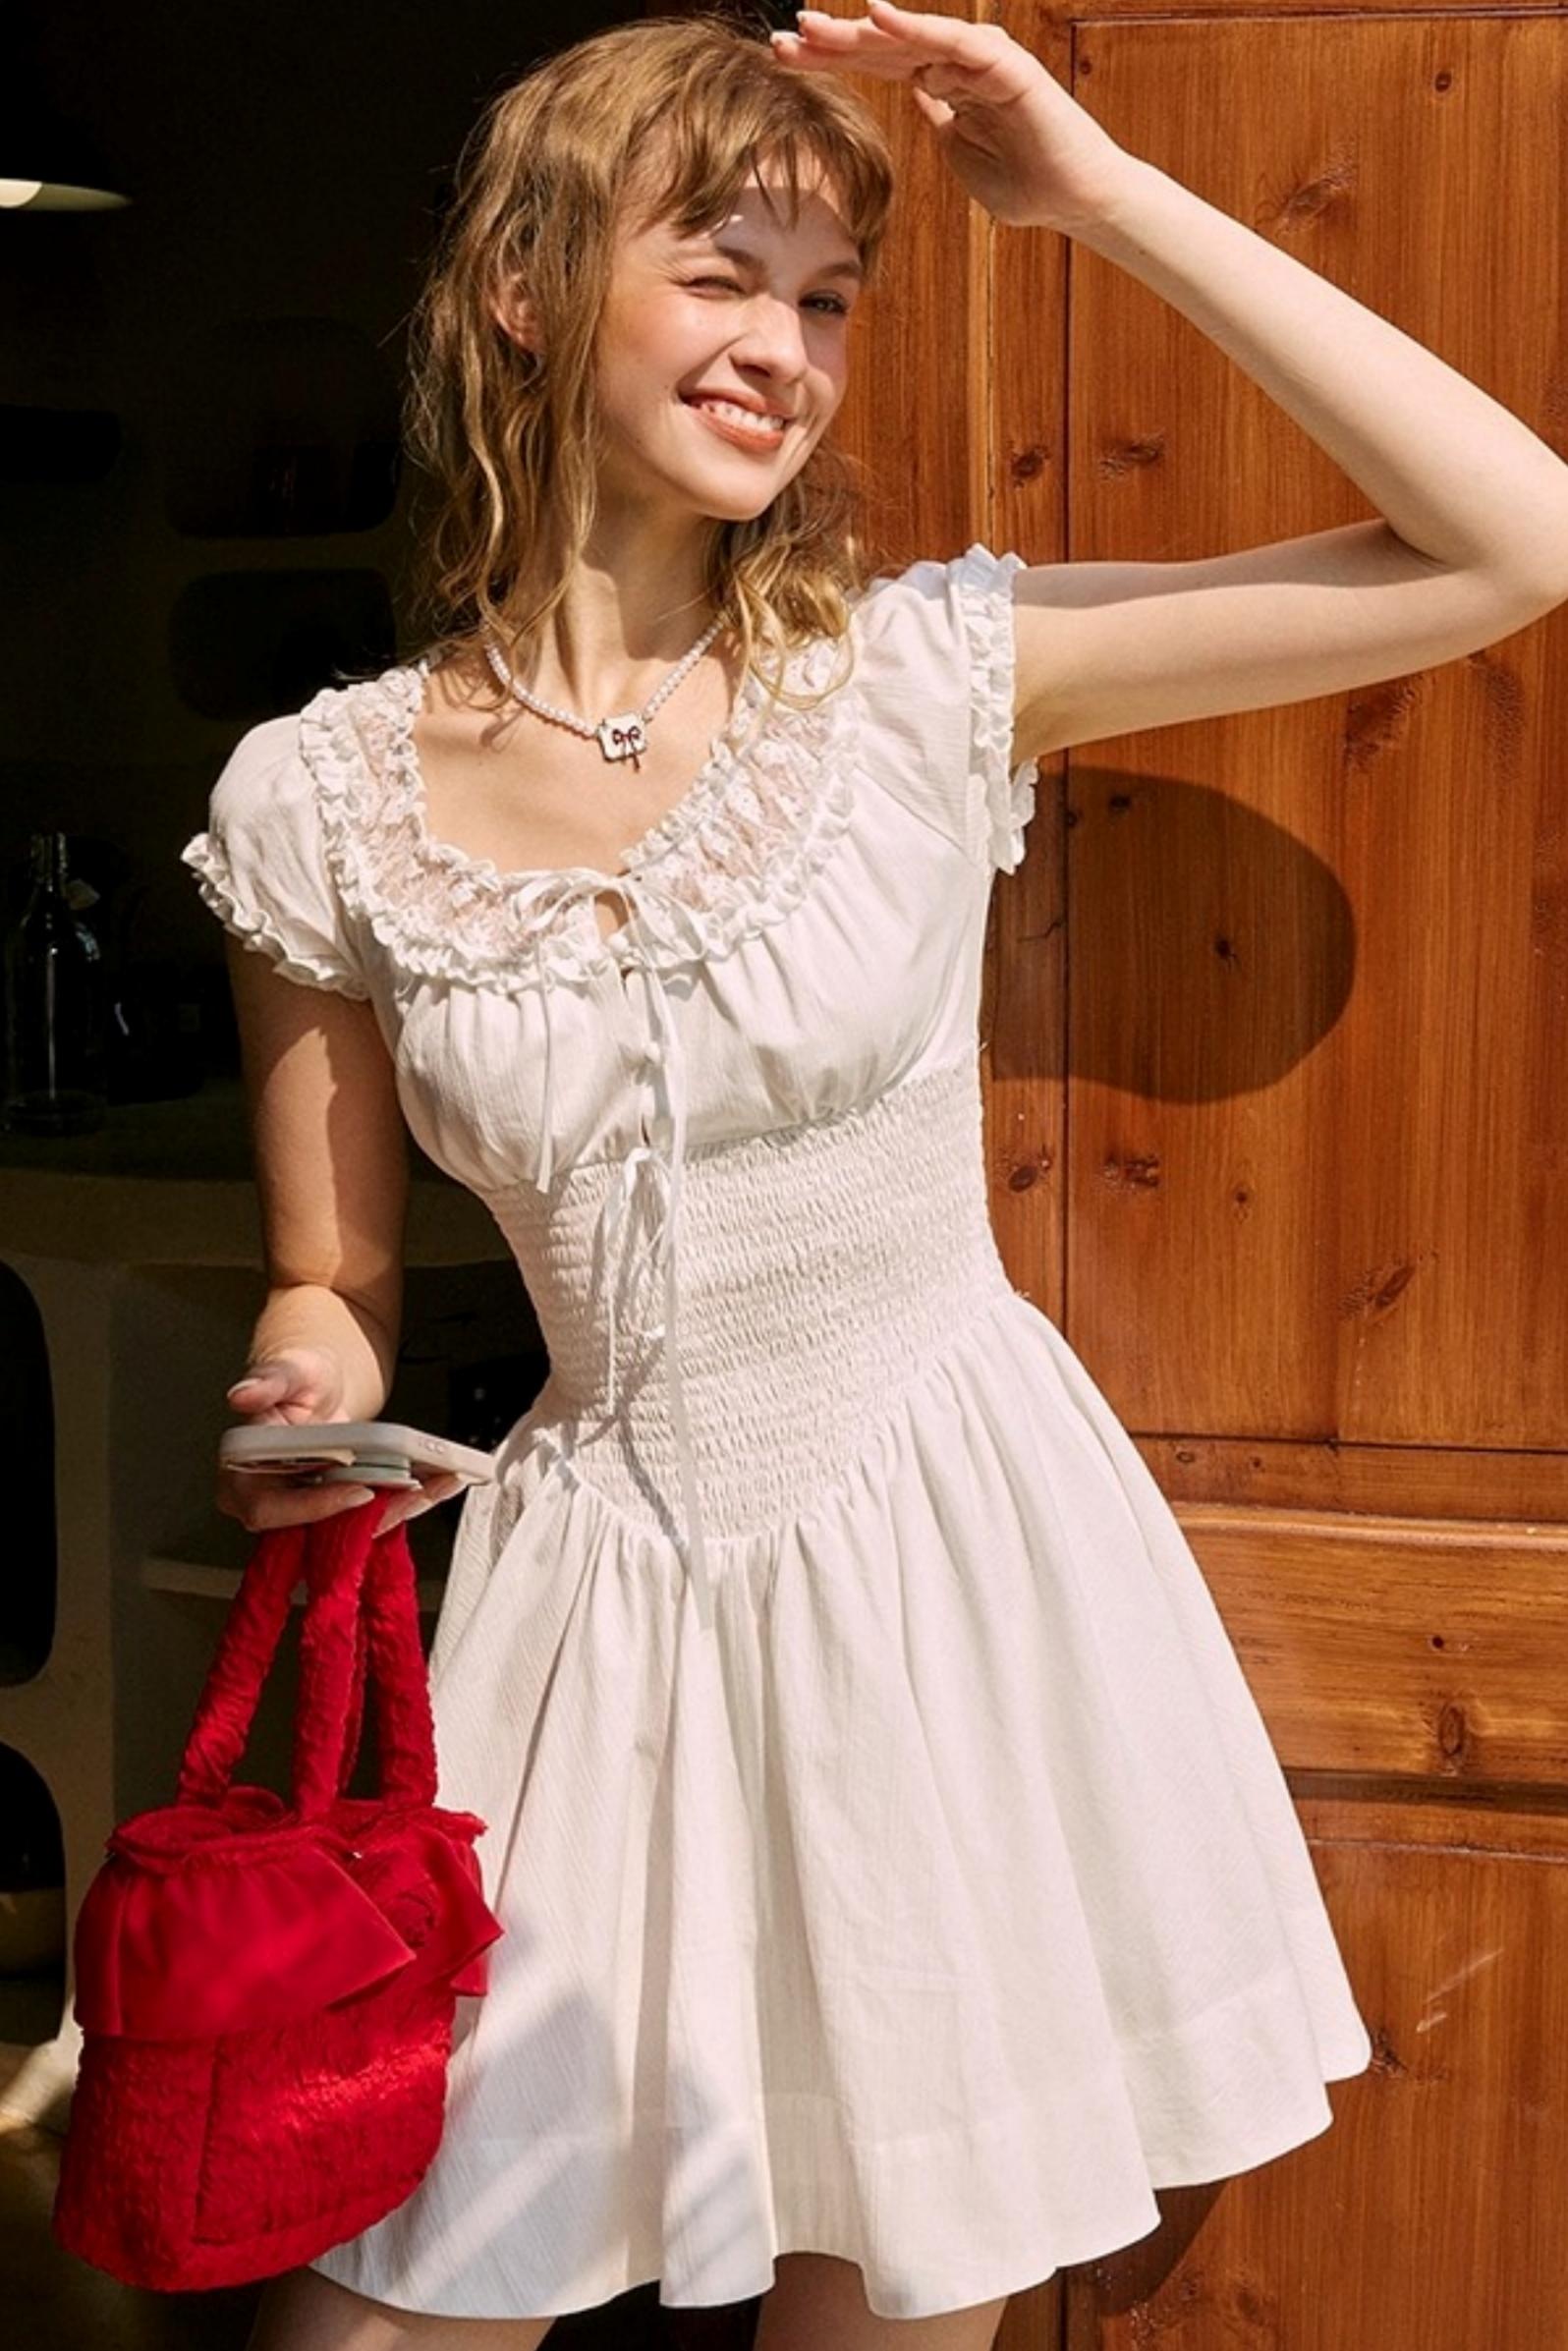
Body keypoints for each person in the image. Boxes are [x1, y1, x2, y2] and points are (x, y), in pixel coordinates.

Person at [180, 6, 1568, 2348]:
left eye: (828, 300)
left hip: (942, 1573)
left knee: (891, 2293)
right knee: (394, 2303)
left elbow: (1518, 538)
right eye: (722, 274)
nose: (788, 350)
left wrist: (1097, 192)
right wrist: (299, 1388)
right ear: (524, 288)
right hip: (585, 1604)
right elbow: (336, 1272)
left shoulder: (921, 679)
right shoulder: (313, 801)